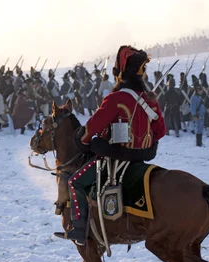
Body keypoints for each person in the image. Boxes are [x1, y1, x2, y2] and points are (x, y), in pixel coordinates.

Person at [54, 45, 166, 245]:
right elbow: (161, 131)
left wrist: (85, 141)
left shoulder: (116, 99)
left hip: (117, 158)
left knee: (75, 182)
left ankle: (79, 229)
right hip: (143, 157)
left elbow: (91, 129)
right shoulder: (150, 98)